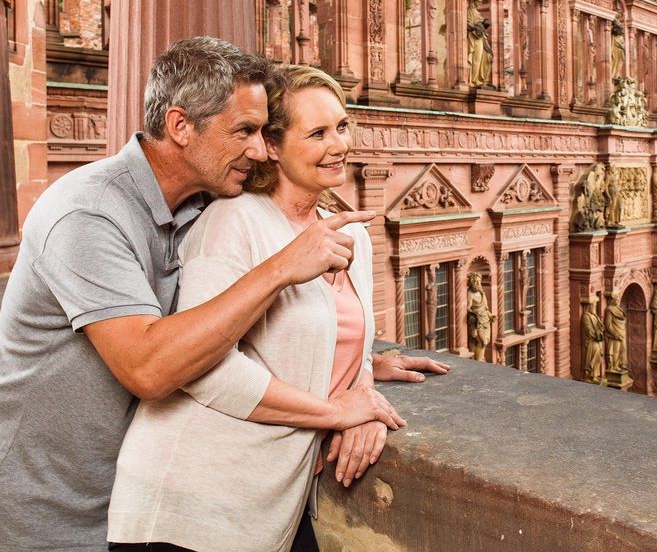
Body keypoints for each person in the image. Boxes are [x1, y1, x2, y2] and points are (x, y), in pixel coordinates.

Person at [0, 37, 435, 552]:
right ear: (181, 126)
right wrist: (283, 272)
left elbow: (232, 325)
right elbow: (149, 368)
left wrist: (353, 361)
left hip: (130, 484)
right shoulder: (87, 214)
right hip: (49, 508)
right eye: (245, 131)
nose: (259, 150)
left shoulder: (203, 201)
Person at [107, 64, 400, 551]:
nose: (339, 144)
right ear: (274, 147)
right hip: (186, 503)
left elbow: (346, 345)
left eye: (342, 126)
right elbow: (206, 372)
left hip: (270, 505)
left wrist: (366, 396)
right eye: (318, 134)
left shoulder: (352, 233)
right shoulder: (233, 220)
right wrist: (334, 413)